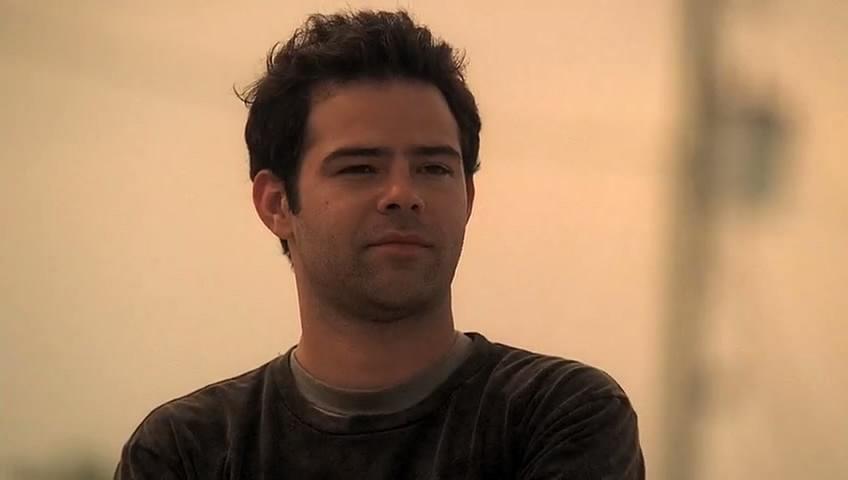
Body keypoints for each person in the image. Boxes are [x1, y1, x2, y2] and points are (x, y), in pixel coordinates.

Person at [115, 9, 644, 479]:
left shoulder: (558, 415)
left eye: (433, 168)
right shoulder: (187, 451)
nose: (403, 195)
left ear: (468, 197)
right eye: (360, 168)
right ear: (276, 204)